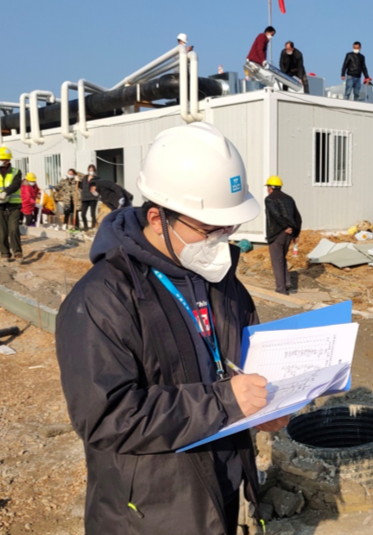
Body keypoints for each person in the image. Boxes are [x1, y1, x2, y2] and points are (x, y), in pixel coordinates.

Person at [56, 123, 289, 535]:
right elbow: (106, 417)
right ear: (157, 217)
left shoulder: (221, 280)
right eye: (210, 229)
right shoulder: (102, 298)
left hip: (222, 485)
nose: (222, 239)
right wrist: (225, 402)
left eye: (229, 227)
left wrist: (264, 407)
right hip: (152, 512)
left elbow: (243, 360)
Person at [264, 176, 301, 295]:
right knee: (281, 258)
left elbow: (276, 215)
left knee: (277, 261)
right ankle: (287, 282)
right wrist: (295, 233)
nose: (267, 189)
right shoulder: (289, 198)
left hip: (277, 234)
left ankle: (281, 289)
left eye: (267, 187)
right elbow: (297, 217)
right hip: (289, 234)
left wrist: (285, 227)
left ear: (270, 187)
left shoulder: (270, 199)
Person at [0, 147, 23, 262]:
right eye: (2, 159)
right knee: (2, 231)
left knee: (13, 229)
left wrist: (5, 192)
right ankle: (5, 253)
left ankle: (17, 252)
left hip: (13, 204)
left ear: (9, 160)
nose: (4, 161)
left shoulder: (16, 171)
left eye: (6, 159)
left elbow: (16, 184)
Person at [79, 164, 98, 231]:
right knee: (83, 214)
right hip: (85, 198)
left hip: (93, 198)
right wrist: (78, 183)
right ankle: (85, 227)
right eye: (90, 170)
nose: (91, 171)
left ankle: (93, 227)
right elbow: (81, 186)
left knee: (92, 213)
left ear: (94, 170)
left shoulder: (96, 178)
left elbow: (98, 187)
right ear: (88, 170)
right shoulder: (85, 178)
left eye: (92, 170)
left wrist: (96, 193)